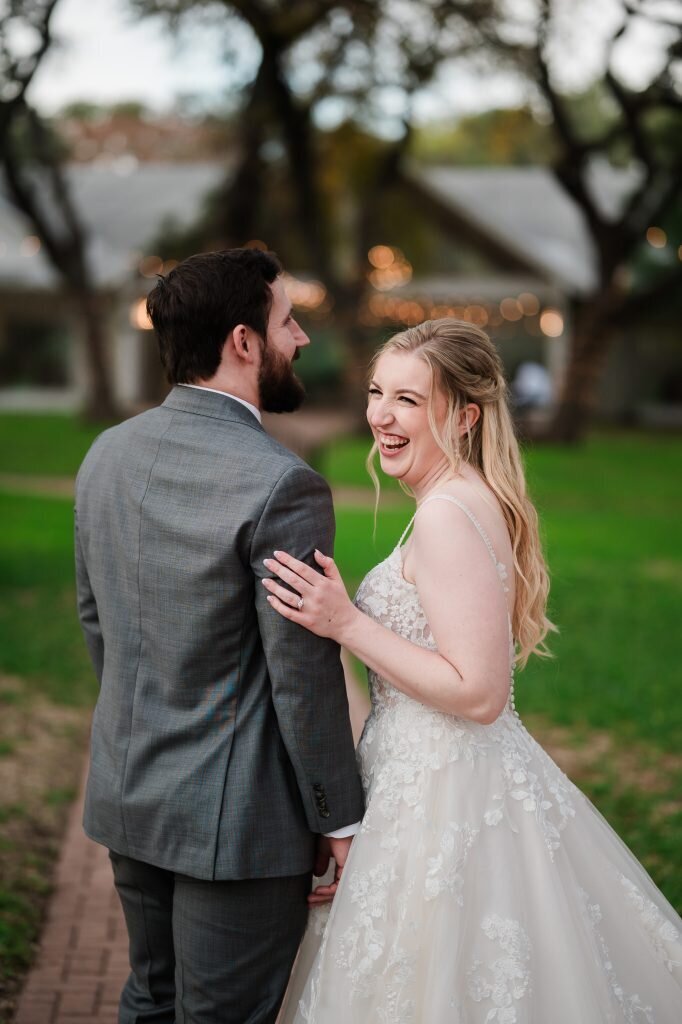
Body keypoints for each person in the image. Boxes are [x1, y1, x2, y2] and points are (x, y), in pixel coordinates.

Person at [267, 318, 682, 1022]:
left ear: (463, 416)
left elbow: (481, 692)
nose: (380, 415)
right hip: (421, 777)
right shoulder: (454, 499)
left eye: (407, 399)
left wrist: (348, 624)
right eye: (376, 393)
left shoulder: (447, 515)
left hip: (447, 796)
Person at [74, 248, 364, 1024]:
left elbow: (96, 621)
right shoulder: (283, 483)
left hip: (128, 794)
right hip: (238, 833)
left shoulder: (106, 454)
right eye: (287, 322)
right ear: (243, 342)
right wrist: (337, 817)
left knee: (151, 999)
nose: (300, 339)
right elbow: (302, 676)